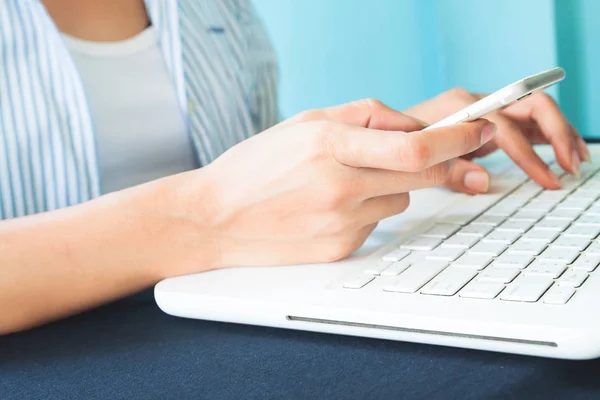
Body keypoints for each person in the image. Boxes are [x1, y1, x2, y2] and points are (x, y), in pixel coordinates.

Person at [0, 0, 590, 335]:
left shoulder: (210, 9)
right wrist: (206, 219)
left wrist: (395, 148)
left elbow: (255, 182)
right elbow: (226, 204)